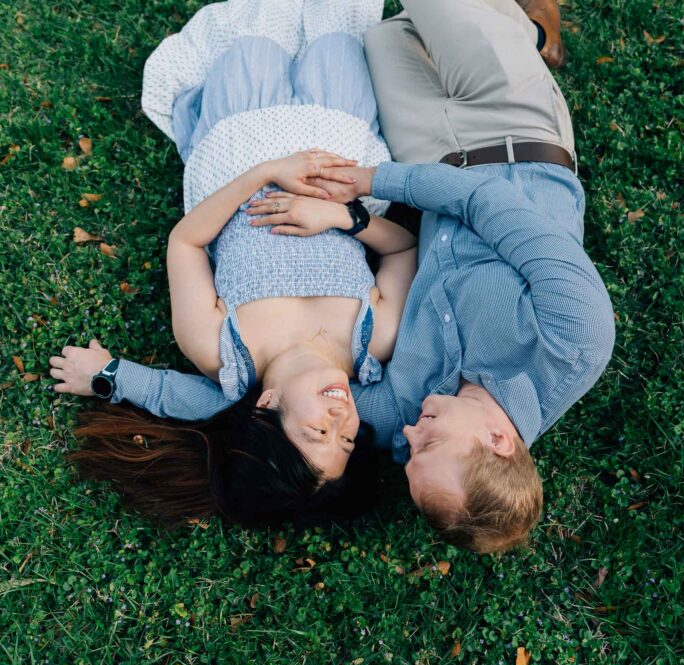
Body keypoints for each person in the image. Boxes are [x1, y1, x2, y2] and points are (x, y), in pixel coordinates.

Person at [47, 0, 417, 526]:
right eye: (349, 437)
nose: (341, 417)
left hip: (239, 154)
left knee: (254, 49)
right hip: (339, 152)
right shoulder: (373, 339)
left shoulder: (221, 349)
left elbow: (186, 244)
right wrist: (340, 218)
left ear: (265, 408)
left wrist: (264, 170)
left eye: (319, 432)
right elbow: (402, 246)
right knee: (338, 46)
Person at [277, 0, 615, 552]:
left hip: (428, 148)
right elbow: (485, 200)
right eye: (428, 446)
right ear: (499, 440)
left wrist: (115, 379)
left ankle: (528, 31)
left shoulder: (409, 411)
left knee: (386, 37)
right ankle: (528, 36)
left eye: (408, 455)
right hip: (513, 124)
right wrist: (369, 180)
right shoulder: (574, 341)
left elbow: (275, 396)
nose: (409, 435)